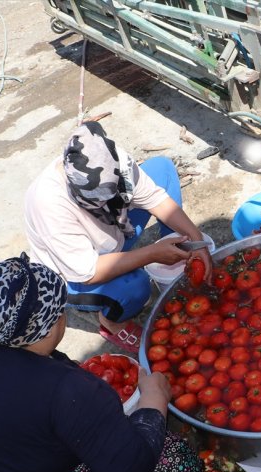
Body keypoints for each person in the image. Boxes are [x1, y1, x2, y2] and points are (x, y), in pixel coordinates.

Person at [0, 254, 206, 472]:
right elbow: (131, 466)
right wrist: (153, 402)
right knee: (172, 460)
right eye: (59, 312)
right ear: (45, 329)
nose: (63, 318)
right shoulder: (63, 389)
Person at [25, 121, 212, 353]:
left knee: (162, 170)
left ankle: (175, 250)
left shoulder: (112, 161)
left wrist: (194, 239)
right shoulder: (49, 204)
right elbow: (88, 272)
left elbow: (155, 199)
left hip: (113, 234)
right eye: (102, 201)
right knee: (135, 286)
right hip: (74, 274)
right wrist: (152, 254)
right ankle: (111, 322)